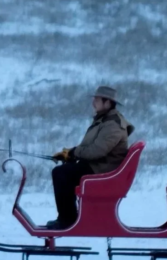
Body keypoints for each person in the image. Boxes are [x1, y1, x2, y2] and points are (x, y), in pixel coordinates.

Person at [47, 85, 134, 230]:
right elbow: (92, 148)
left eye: (97, 99)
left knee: (61, 173)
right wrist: (69, 154)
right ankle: (68, 217)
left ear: (107, 103)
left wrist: (73, 153)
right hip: (99, 166)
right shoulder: (105, 120)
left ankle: (67, 219)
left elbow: (96, 151)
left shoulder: (113, 125)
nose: (93, 102)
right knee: (64, 171)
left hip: (103, 170)